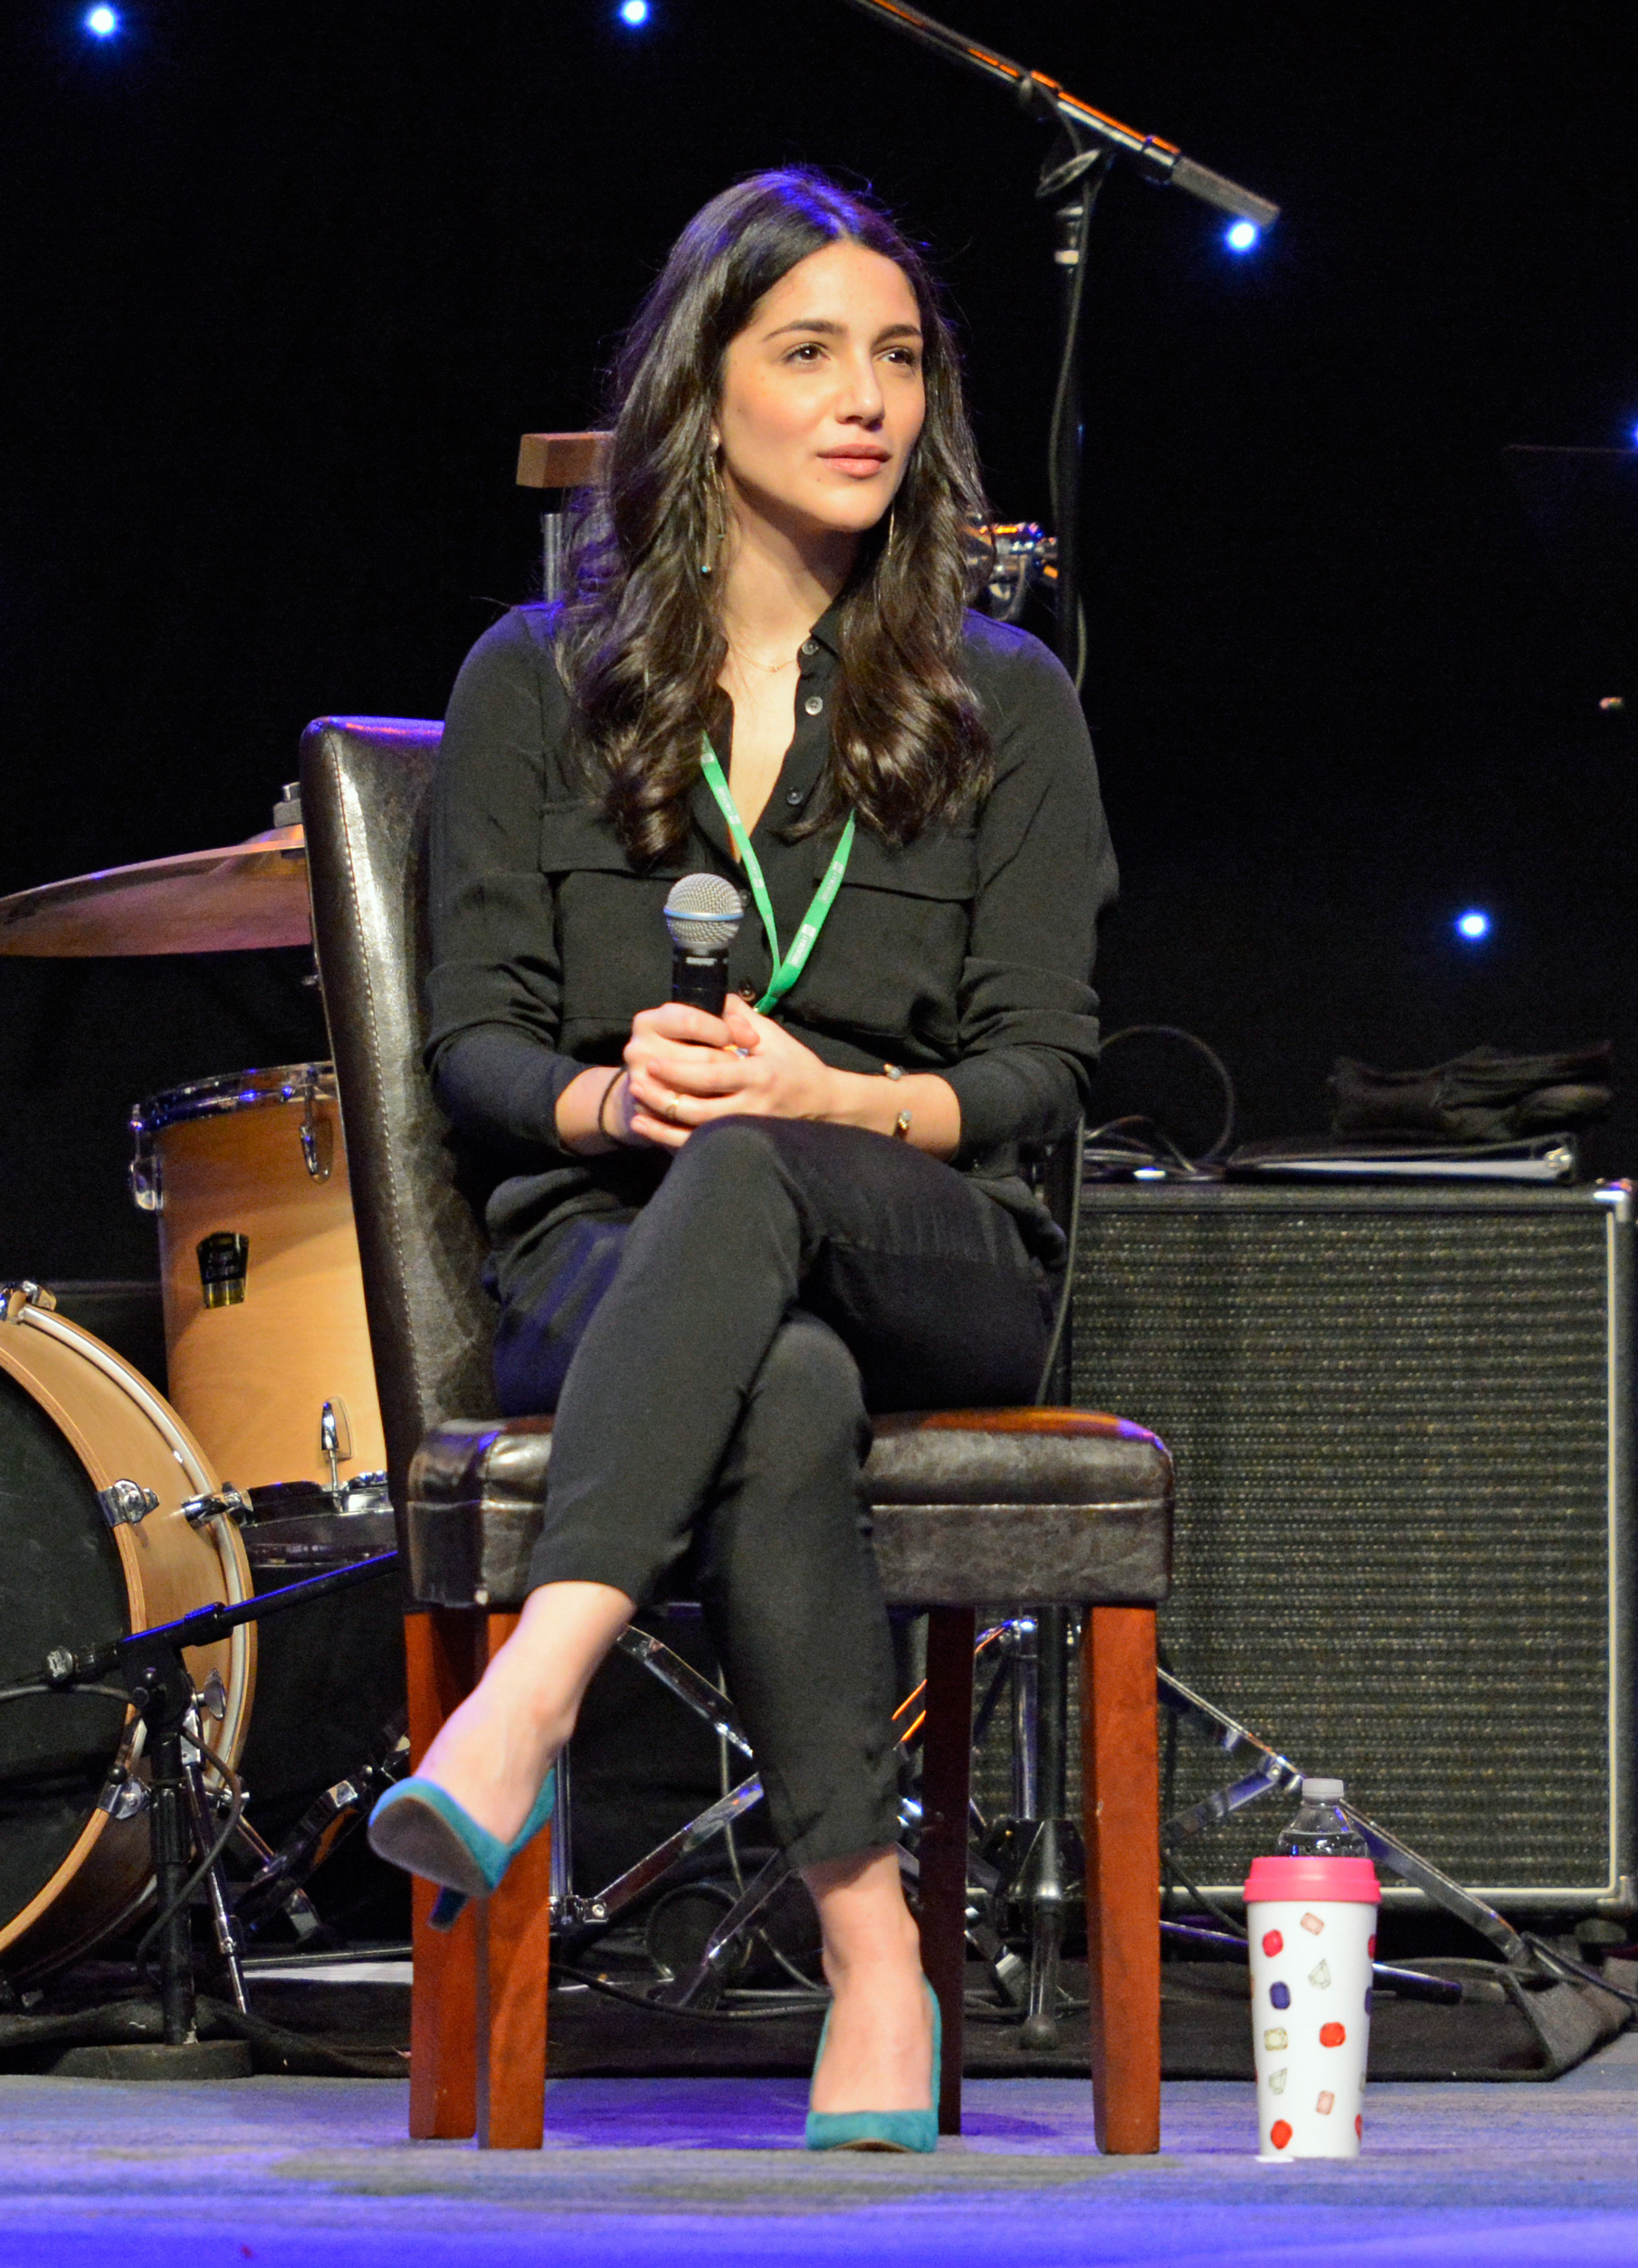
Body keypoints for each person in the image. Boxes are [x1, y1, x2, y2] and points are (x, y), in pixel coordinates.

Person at [369, 167, 1117, 2151]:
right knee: (766, 1371)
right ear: (704, 393)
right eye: (808, 354)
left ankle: (530, 1691)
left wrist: (832, 1099)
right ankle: (878, 1958)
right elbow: (472, 1049)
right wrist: (619, 1099)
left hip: (920, 1233)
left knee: (772, 1183)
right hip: (608, 1239)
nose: (865, 398)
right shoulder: (534, 676)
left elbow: (1037, 1065)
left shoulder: (1001, 697)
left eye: (895, 359)